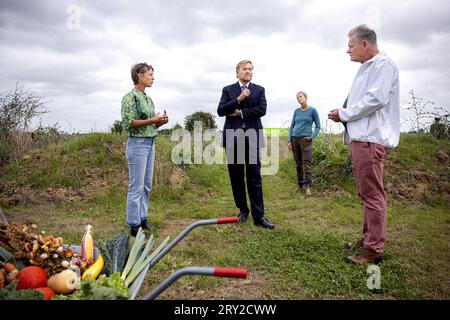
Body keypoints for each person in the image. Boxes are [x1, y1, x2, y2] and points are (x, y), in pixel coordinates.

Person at [328, 25, 400, 264]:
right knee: (366, 192)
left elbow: (375, 99)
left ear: (364, 44)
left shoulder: (383, 65)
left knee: (372, 194)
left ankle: (373, 249)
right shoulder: (369, 67)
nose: (347, 51)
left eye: (350, 46)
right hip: (362, 139)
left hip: (370, 139)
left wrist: (344, 114)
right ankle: (368, 238)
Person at [217, 59, 275, 229]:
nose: (248, 71)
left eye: (250, 69)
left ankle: (259, 216)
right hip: (232, 138)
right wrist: (239, 99)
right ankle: (243, 210)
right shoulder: (228, 90)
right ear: (237, 72)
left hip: (252, 137)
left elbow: (262, 110)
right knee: (236, 176)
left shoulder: (259, 89)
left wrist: (240, 112)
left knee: (254, 176)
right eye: (244, 69)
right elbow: (221, 111)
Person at [121, 63, 168, 236]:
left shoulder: (148, 99)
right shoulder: (129, 98)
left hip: (150, 142)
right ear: (139, 76)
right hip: (137, 144)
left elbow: (150, 125)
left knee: (146, 185)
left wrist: (160, 121)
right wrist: (152, 120)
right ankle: (133, 225)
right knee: (136, 186)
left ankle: (143, 219)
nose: (153, 77)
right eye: (149, 74)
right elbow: (130, 123)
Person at [288, 91, 321, 196]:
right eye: (297, 97)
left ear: (306, 97)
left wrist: (311, 137)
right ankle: (300, 185)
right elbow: (292, 126)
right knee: (298, 163)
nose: (298, 99)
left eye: (300, 96)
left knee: (306, 163)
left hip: (305, 140)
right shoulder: (296, 111)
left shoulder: (312, 111)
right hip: (294, 139)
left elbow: (318, 126)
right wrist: (289, 140)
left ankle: (308, 186)